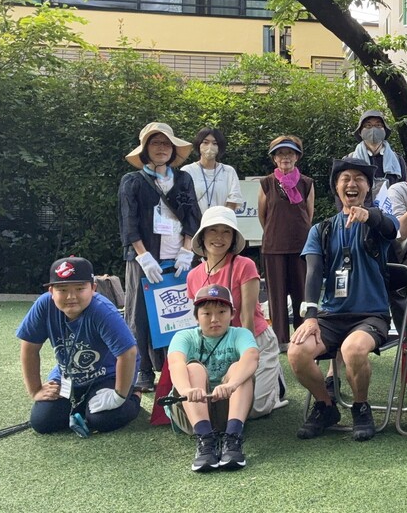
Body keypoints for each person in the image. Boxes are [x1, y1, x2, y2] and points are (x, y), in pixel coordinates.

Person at [289, 157, 399, 441]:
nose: (352, 184)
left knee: (353, 349)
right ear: (336, 187)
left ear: (368, 187)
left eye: (359, 179)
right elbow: (313, 273)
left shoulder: (378, 222)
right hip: (331, 316)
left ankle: (361, 407)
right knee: (296, 352)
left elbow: (392, 229)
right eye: (345, 179)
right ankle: (325, 406)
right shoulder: (321, 230)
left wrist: (369, 216)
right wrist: (310, 316)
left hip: (371, 315)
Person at [118, 121, 201, 391]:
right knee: (141, 315)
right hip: (145, 259)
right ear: (145, 149)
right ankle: (143, 370)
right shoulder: (132, 181)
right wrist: (143, 256)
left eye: (166, 143)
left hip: (178, 257)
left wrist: (187, 250)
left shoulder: (184, 179)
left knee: (179, 314)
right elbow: (129, 221)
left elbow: (192, 216)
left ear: (173, 149)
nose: (161, 148)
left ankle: (175, 367)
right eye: (155, 143)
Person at [17, 257, 141, 435]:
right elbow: (29, 348)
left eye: (80, 289)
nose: (71, 296)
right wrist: (35, 390)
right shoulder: (44, 305)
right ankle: (83, 406)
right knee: (42, 422)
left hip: (109, 374)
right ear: (51, 291)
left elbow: (128, 353)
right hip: (69, 373)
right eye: (62, 290)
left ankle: (134, 394)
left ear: (93, 288)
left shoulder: (102, 310)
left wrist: (119, 396)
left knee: (102, 419)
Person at [187, 206, 288, 417]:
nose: (219, 237)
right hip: (216, 346)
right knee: (217, 406)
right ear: (203, 235)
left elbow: (246, 317)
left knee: (252, 409)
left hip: (253, 340)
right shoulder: (193, 276)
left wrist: (244, 360)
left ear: (233, 238)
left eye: (226, 232)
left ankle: (276, 383)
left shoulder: (245, 265)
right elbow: (199, 322)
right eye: (213, 230)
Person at [168, 285, 259, 472]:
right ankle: (205, 441)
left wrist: (231, 385)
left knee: (239, 369)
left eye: (222, 312)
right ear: (196, 316)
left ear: (232, 314)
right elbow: (175, 363)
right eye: (207, 313)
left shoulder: (241, 334)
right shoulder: (183, 336)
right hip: (190, 411)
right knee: (193, 368)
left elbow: (252, 357)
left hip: (229, 409)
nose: (214, 319)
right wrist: (186, 390)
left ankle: (233, 438)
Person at [258, 135, 315, 350]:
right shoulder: (267, 183)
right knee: (277, 295)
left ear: (297, 157)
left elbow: (309, 214)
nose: (285, 157)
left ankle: (302, 336)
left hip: (301, 245)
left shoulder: (307, 183)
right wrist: (274, 233)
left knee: (302, 292)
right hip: (274, 246)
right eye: (280, 153)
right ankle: (280, 339)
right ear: (274, 158)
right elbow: (263, 215)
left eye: (290, 153)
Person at [181, 128, 244, 215]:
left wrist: (219, 219)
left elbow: (233, 200)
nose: (210, 146)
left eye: (215, 143)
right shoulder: (187, 171)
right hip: (194, 221)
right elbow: (182, 201)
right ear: (198, 145)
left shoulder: (228, 171)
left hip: (221, 221)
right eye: (205, 142)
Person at [349, 110, 407, 197]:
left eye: (378, 125)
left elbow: (403, 191)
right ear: (360, 132)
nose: (373, 129)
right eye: (368, 125)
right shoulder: (350, 159)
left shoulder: (397, 160)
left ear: (384, 130)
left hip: (392, 205)